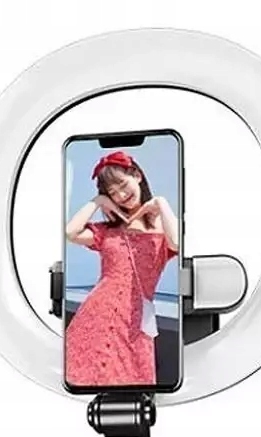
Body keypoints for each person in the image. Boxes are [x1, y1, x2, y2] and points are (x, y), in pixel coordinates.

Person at [64, 150, 179, 387]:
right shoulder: (107, 231)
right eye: (112, 193)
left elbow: (177, 242)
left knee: (133, 384)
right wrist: (97, 201)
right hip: (94, 319)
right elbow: (71, 232)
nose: (121, 196)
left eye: (123, 185)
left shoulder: (163, 230)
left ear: (137, 175)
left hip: (136, 327)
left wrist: (161, 203)